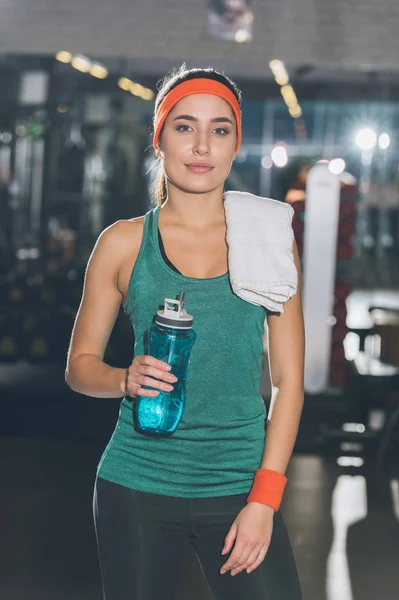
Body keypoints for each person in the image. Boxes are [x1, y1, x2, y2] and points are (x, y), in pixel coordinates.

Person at [65, 65, 305, 600]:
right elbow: (80, 366)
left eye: (220, 129)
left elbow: (289, 382)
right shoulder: (123, 244)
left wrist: (264, 500)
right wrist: (124, 379)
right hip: (137, 483)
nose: (202, 146)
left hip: (239, 485)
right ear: (159, 138)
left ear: (236, 143)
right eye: (184, 127)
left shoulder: (268, 239)